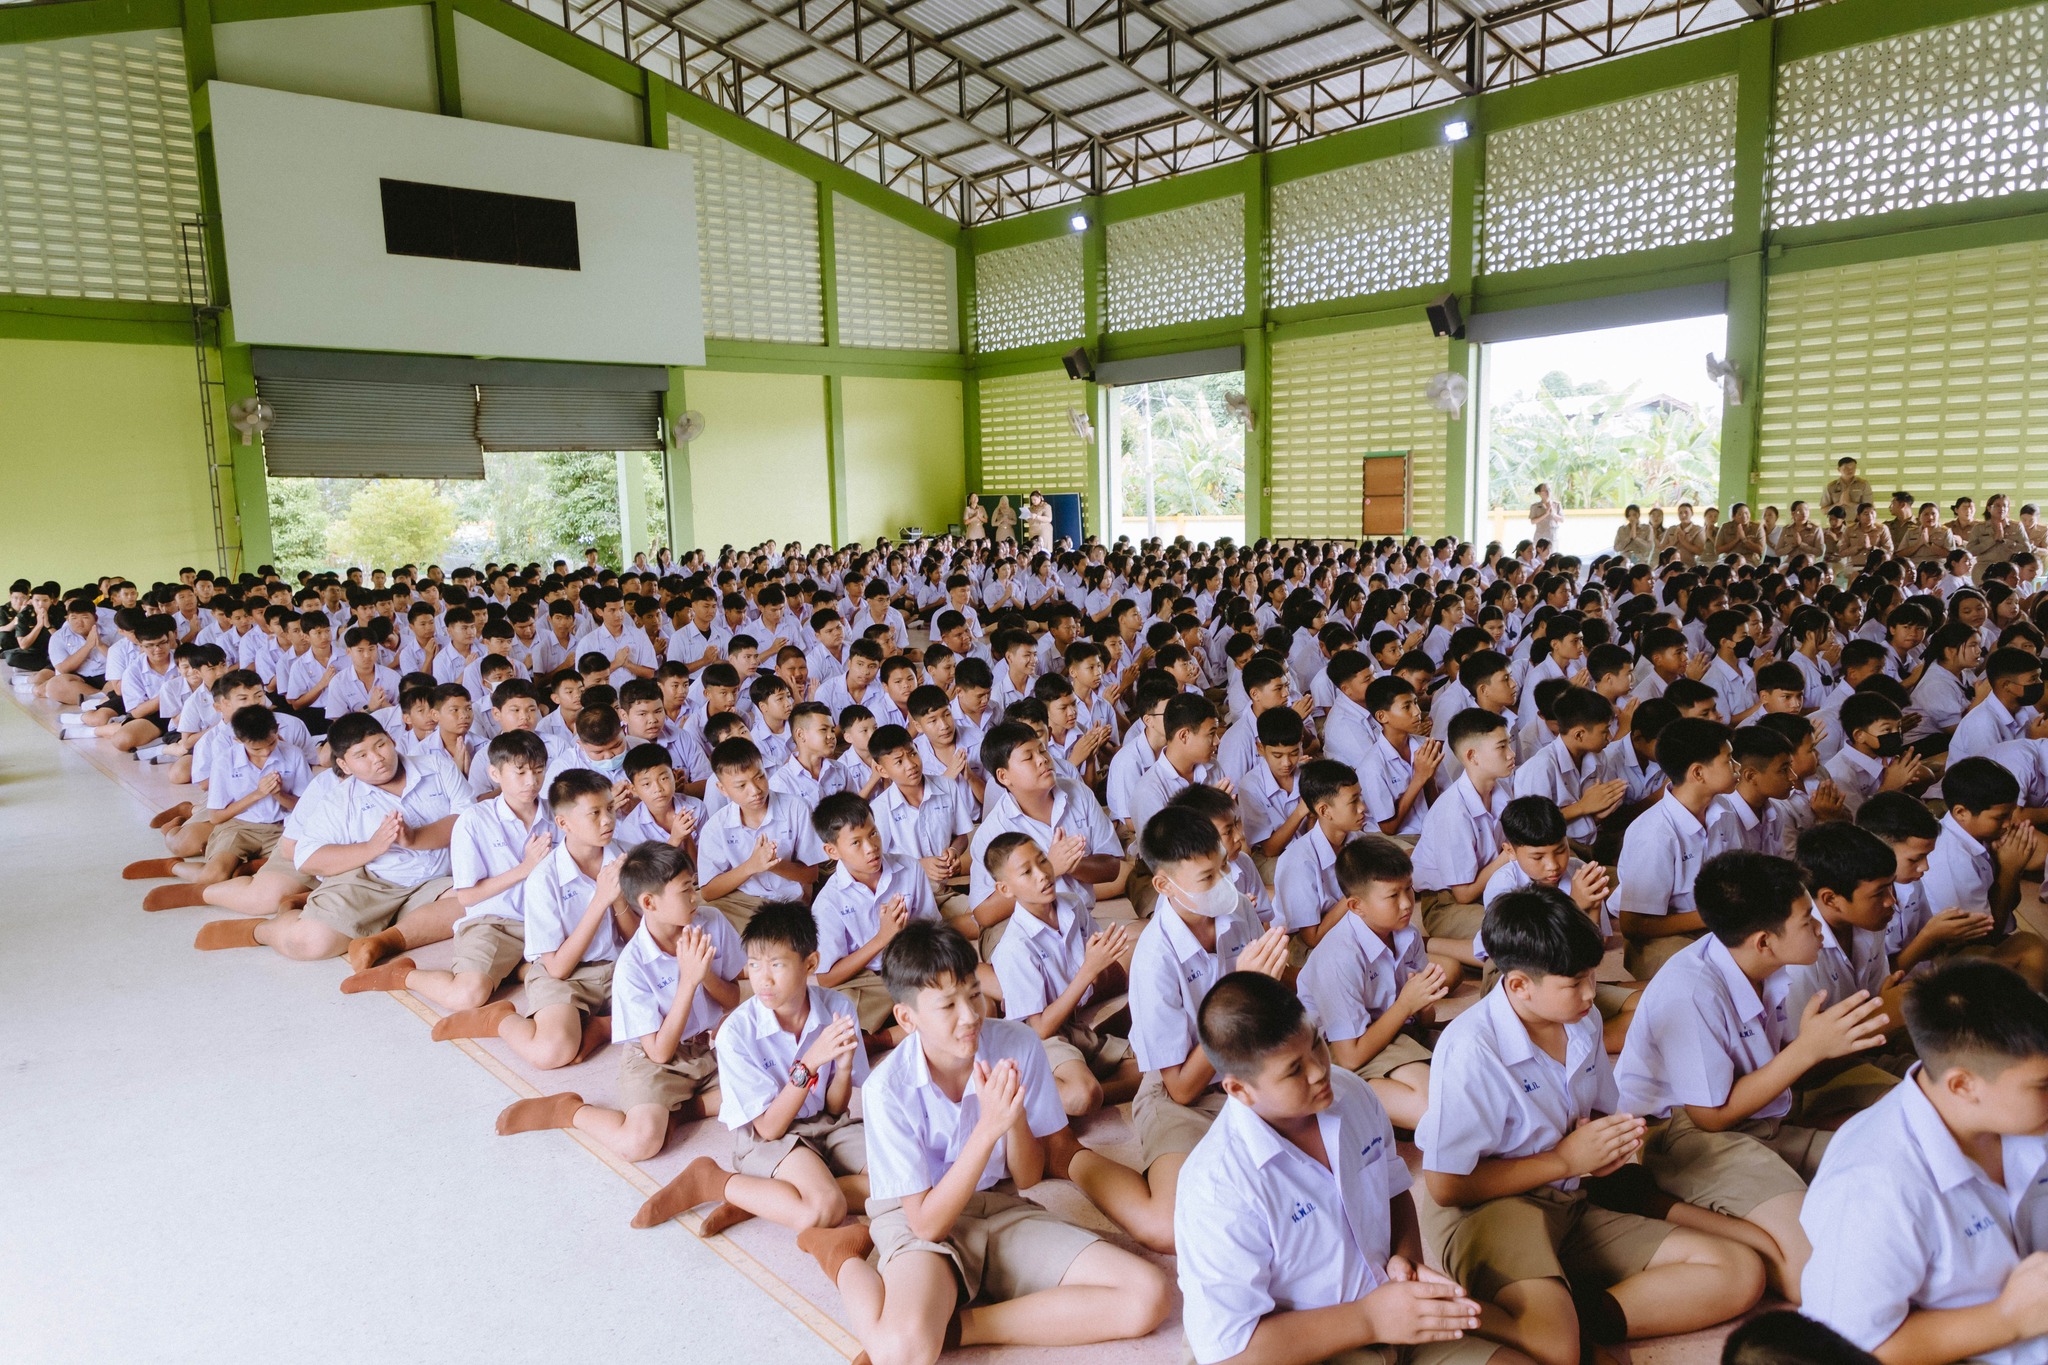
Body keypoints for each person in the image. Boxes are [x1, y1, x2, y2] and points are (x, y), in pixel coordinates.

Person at [1419, 886, 1766, 1365]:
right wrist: (1565, 1159)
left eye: (1591, 977)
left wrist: (1609, 1146)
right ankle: (1496, 1315)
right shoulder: (1471, 1049)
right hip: (1489, 1210)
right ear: (1518, 986)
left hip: (1568, 1197)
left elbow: (1600, 1114)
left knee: (1738, 1272)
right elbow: (1445, 1187)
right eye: (1575, 983)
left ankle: (1566, 1312)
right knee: (1557, 1352)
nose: (1590, 994)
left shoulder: (1582, 1022)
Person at [798, 921, 1171, 1365]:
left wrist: (1012, 1120)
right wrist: (989, 1128)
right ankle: (843, 1257)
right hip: (917, 1219)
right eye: (947, 1005)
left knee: (1147, 1295)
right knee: (902, 1353)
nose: (970, 1016)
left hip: (998, 1204)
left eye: (974, 994)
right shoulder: (886, 1088)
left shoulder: (1019, 1044)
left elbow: (1028, 1178)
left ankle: (958, 1328)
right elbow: (927, 1225)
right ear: (907, 1018)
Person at [1178, 970, 1522, 1365]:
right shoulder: (1215, 1188)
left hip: (1388, 1312)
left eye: (1316, 1043)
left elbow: (1393, 1188)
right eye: (1293, 1069)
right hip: (1298, 1350)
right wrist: (1371, 1319)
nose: (1319, 1070)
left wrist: (1405, 1262)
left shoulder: (1352, 1092)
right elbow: (1231, 1353)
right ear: (1239, 1089)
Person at [1615, 850, 1892, 1302]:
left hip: (1759, 1120)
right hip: (1684, 1136)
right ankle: (1657, 1203)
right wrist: (1809, 1049)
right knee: (1815, 1277)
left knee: (1889, 1170)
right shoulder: (1691, 989)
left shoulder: (1767, 967)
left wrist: (1821, 1047)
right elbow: (1709, 1117)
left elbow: (1773, 1071)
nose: (1819, 929)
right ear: (1764, 941)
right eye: (1807, 921)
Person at [1800, 959, 2048, 1365]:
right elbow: (1851, 1350)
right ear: (1963, 1085)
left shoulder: (2020, 1114)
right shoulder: (1873, 1186)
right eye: (2043, 1086)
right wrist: (2009, 1318)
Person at [630, 902, 869, 1237]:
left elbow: (834, 1109)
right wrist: (810, 1063)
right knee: (825, 1208)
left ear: (810, 963)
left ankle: (761, 1197)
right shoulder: (737, 1033)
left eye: (777, 965)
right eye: (754, 965)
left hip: (827, 1125)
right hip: (772, 1136)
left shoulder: (838, 1008)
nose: (763, 979)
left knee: (902, 1182)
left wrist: (842, 1069)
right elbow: (769, 1128)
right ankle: (715, 1181)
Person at [495, 841, 743, 1162]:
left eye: (693, 886)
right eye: (685, 891)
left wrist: (706, 975)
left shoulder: (712, 923)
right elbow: (659, 1052)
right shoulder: (632, 965)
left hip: (707, 1048)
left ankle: (682, 1112)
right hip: (656, 1061)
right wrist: (689, 982)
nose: (695, 897)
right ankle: (571, 1111)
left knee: (775, 1092)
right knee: (638, 1143)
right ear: (649, 902)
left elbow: (732, 998)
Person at [193, 713, 470, 965]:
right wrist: (372, 847)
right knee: (308, 942)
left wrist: (414, 838)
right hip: (372, 880)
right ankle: (262, 930)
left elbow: (468, 819)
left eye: (380, 745)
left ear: (392, 739)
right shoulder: (340, 798)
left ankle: (384, 942)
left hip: (437, 880)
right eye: (361, 755)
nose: (377, 758)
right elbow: (306, 857)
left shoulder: (437, 767)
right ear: (344, 765)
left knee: (476, 902)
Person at [983, 832, 1139, 1117]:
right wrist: (1089, 970)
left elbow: (1096, 960)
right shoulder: (1014, 947)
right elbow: (1040, 1028)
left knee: (1153, 1068)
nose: (1042, 874)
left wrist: (1102, 964)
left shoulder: (1072, 905)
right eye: (1026, 872)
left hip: (1074, 1022)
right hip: (1042, 1037)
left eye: (1043, 860)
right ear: (1005, 889)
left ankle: (1081, 1084)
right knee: (1083, 1095)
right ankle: (1028, 1090)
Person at [1296, 835, 1444, 1128]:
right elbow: (1350, 1056)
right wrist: (1406, 1004)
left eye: (1408, 888)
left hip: (1394, 1032)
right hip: (1338, 1049)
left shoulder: (1407, 934)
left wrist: (1423, 1002)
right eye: (1392, 896)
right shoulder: (1339, 956)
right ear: (1355, 905)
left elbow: (1424, 1020)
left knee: (1475, 1063)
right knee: (1434, 1108)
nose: (1407, 904)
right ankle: (1344, 1095)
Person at [810, 790, 942, 1039]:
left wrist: (904, 934)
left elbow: (933, 928)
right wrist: (882, 938)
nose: (871, 848)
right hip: (865, 979)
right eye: (856, 843)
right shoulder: (829, 902)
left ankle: (882, 1037)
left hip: (911, 964)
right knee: (837, 1009)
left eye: (873, 833)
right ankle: (899, 1027)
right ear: (832, 851)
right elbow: (826, 978)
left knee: (953, 988)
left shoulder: (909, 867)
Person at [1615, 717, 1735, 978]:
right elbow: (1634, 925)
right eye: (1728, 760)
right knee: (1705, 977)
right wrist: (1711, 916)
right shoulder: (1654, 832)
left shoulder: (1723, 809)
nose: (1737, 767)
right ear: (1698, 773)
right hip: (1660, 936)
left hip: (1714, 921)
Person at [1529, 484, 1564, 549]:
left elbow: (1562, 520)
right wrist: (1545, 514)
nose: (1548, 492)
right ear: (1539, 493)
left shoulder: (1556, 504)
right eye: (1545, 490)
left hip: (1553, 536)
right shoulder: (1535, 506)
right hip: (1540, 536)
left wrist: (1553, 514)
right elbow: (1533, 521)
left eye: (1549, 490)